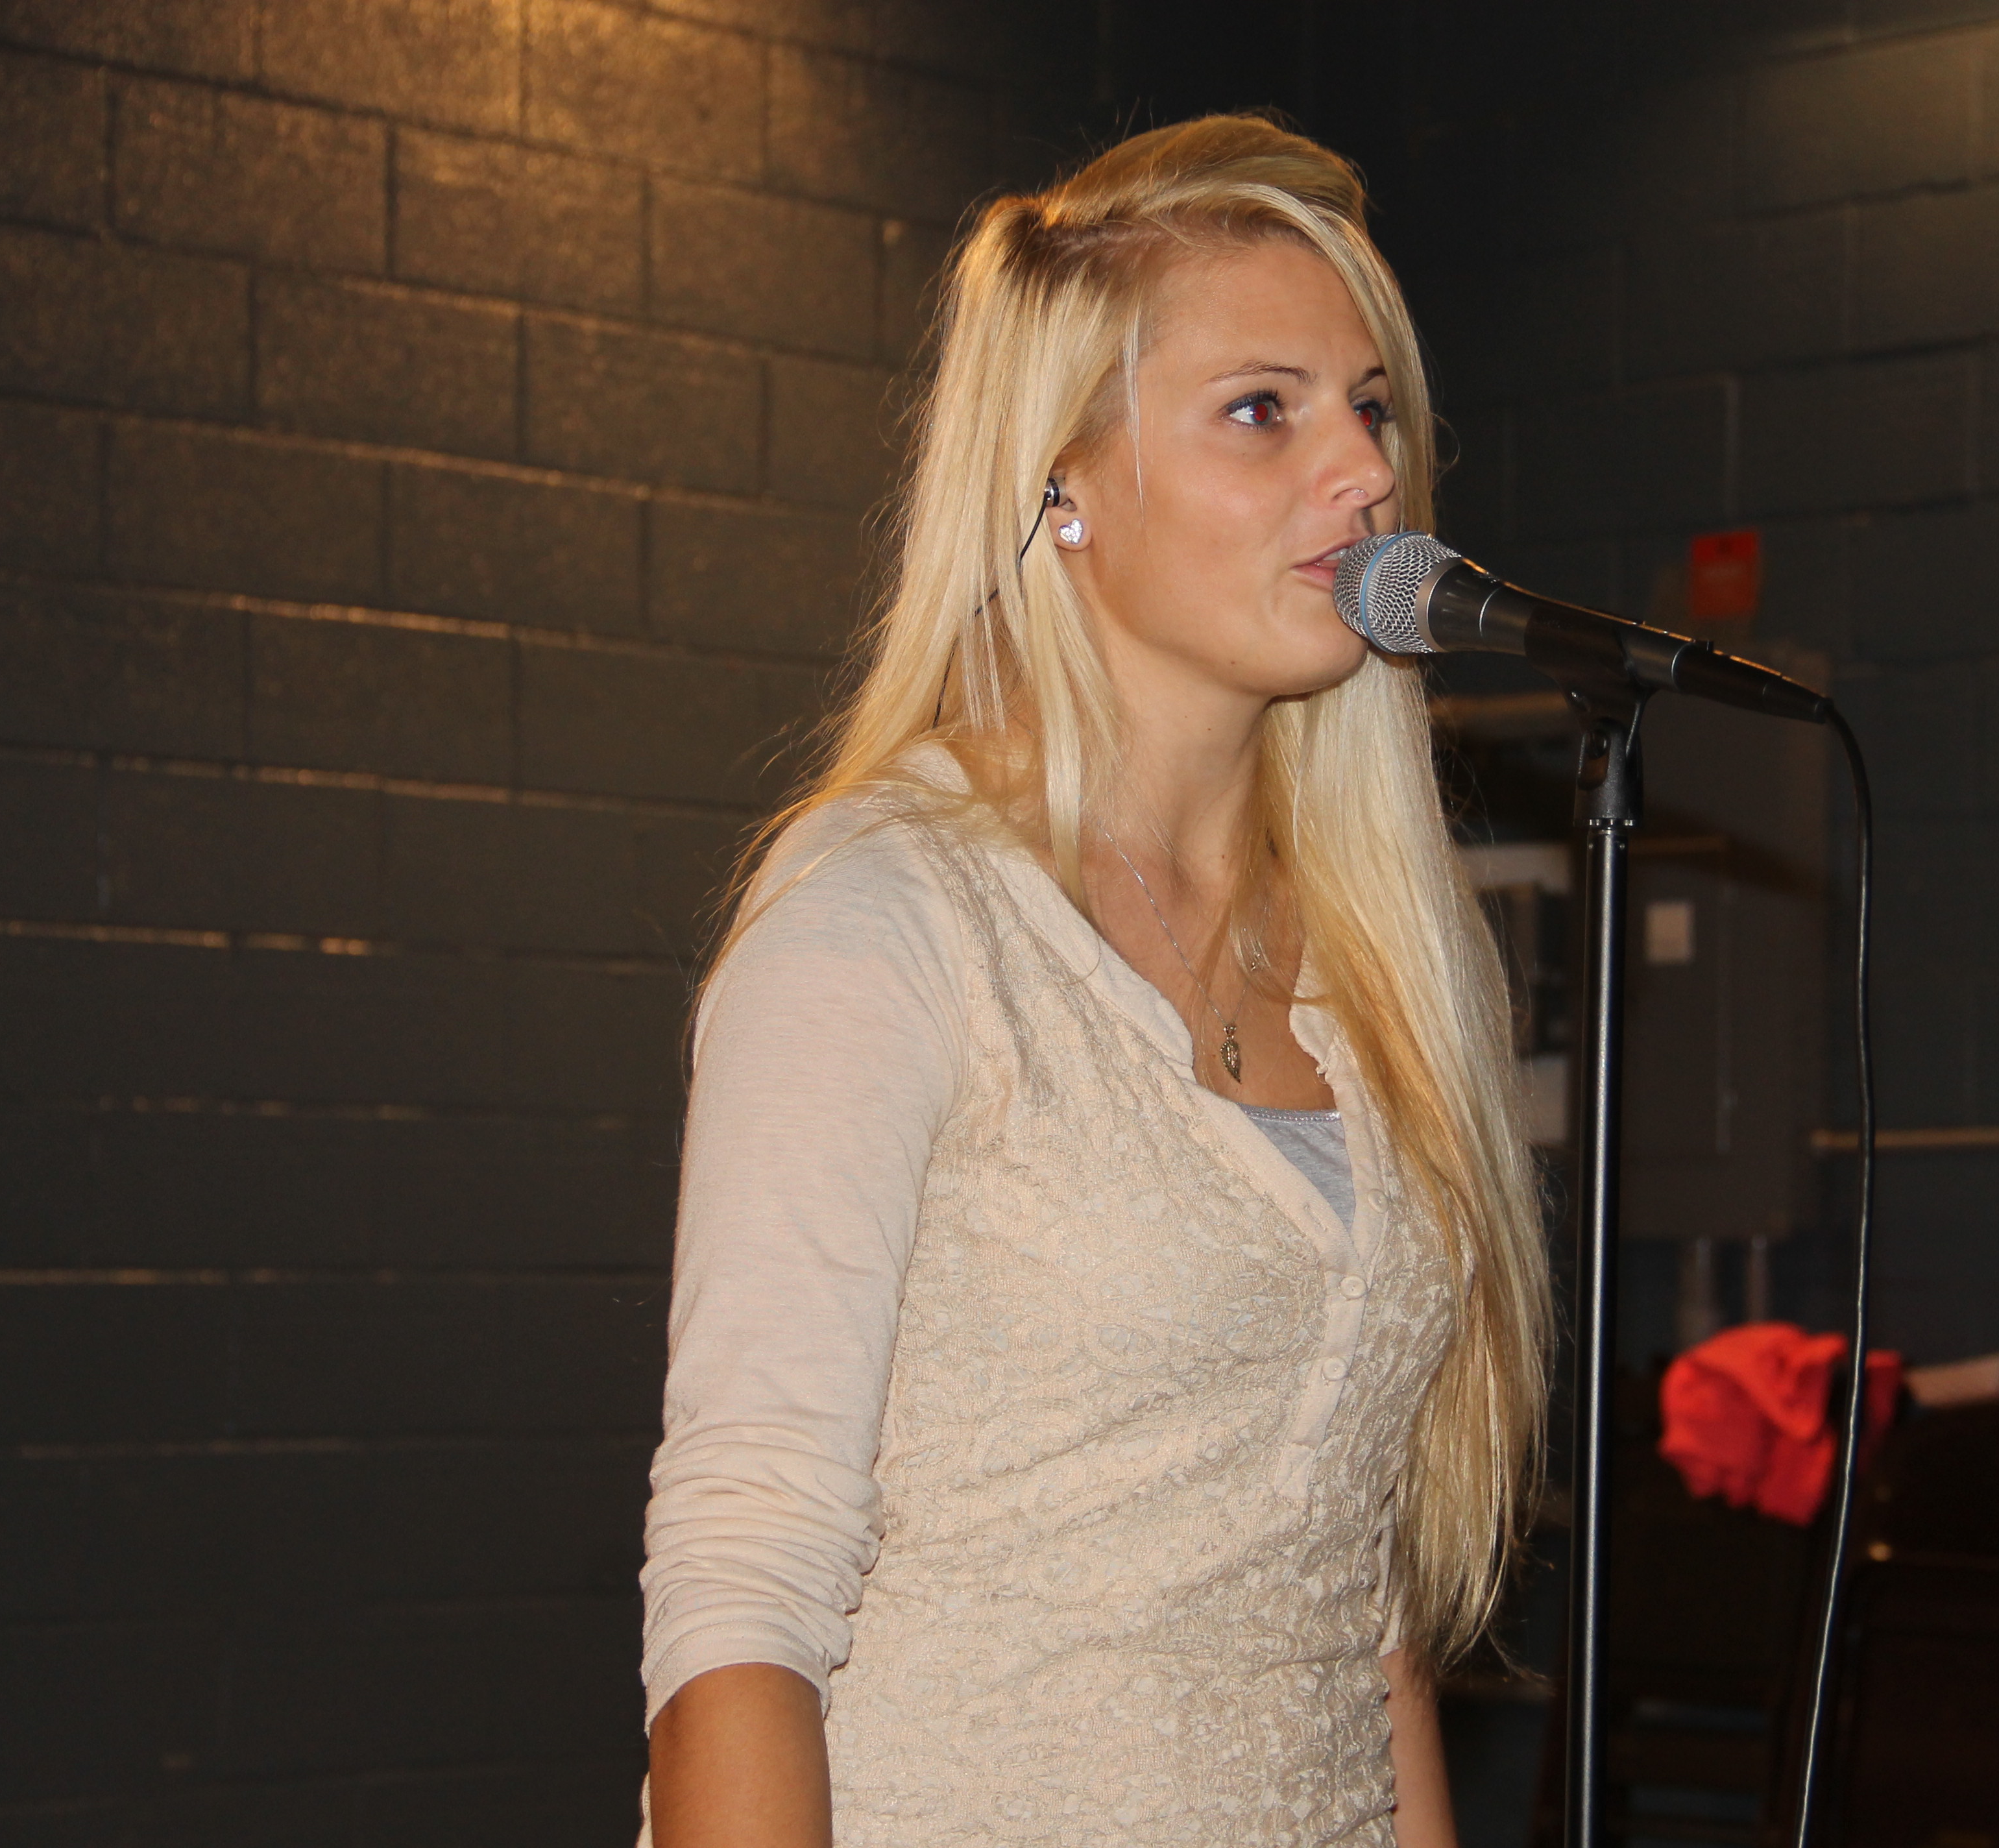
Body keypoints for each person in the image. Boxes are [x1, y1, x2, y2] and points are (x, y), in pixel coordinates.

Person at [637, 116, 1551, 1848]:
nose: (1363, 471)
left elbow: (1361, 1615)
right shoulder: (888, 916)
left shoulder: (1390, 955)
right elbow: (741, 1591)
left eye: (1370, 408)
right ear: (1059, 485)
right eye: (1262, 409)